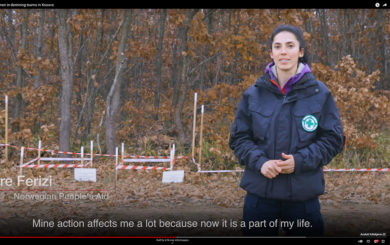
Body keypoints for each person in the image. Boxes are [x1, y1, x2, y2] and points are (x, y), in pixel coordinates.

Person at [229, 24, 345, 236]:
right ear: (271, 53)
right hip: (259, 198)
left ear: (301, 51)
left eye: (290, 45)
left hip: (303, 200)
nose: (284, 51)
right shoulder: (253, 94)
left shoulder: (320, 93)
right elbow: (239, 138)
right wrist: (260, 162)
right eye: (278, 46)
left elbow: (333, 139)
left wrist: (299, 162)